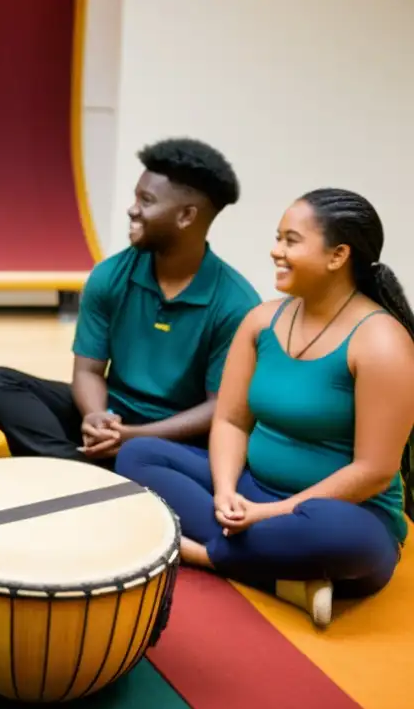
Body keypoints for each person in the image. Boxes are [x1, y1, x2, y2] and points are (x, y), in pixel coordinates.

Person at [116, 188, 414, 627]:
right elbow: (232, 421)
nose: (276, 251)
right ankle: (285, 577)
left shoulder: (382, 343)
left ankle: (202, 553)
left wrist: (267, 514)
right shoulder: (261, 321)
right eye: (278, 238)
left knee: (335, 533)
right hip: (252, 491)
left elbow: (374, 471)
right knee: (138, 455)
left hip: (343, 514)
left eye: (291, 240)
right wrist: (225, 492)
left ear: (338, 256)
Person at [0, 137, 260, 468]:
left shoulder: (236, 304)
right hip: (113, 416)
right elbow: (88, 370)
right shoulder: (110, 275)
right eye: (135, 197)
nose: (132, 208)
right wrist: (96, 416)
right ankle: (79, 469)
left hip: (176, 438)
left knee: (169, 456)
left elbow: (220, 408)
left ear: (186, 216)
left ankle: (72, 468)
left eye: (146, 200)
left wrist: (135, 437)